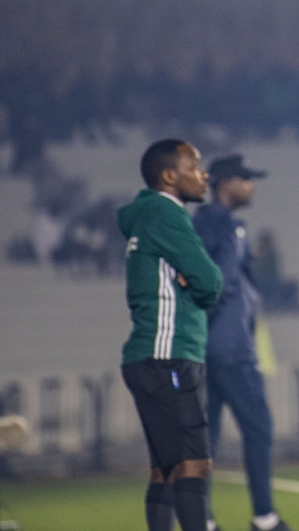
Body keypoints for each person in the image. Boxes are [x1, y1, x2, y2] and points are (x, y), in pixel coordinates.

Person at [118, 139, 223, 531]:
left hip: (148, 357)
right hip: (170, 355)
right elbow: (210, 282)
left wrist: (191, 279)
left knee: (165, 467)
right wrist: (197, 282)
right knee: (194, 463)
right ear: (168, 176)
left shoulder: (146, 215)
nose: (203, 174)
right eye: (193, 165)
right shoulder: (166, 212)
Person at [193, 154, 294, 531]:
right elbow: (216, 284)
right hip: (229, 348)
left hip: (207, 348)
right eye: (245, 179)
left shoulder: (205, 224)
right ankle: (265, 518)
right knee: (259, 428)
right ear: (225, 183)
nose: (251, 185)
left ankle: (201, 520)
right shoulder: (223, 228)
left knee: (208, 439)